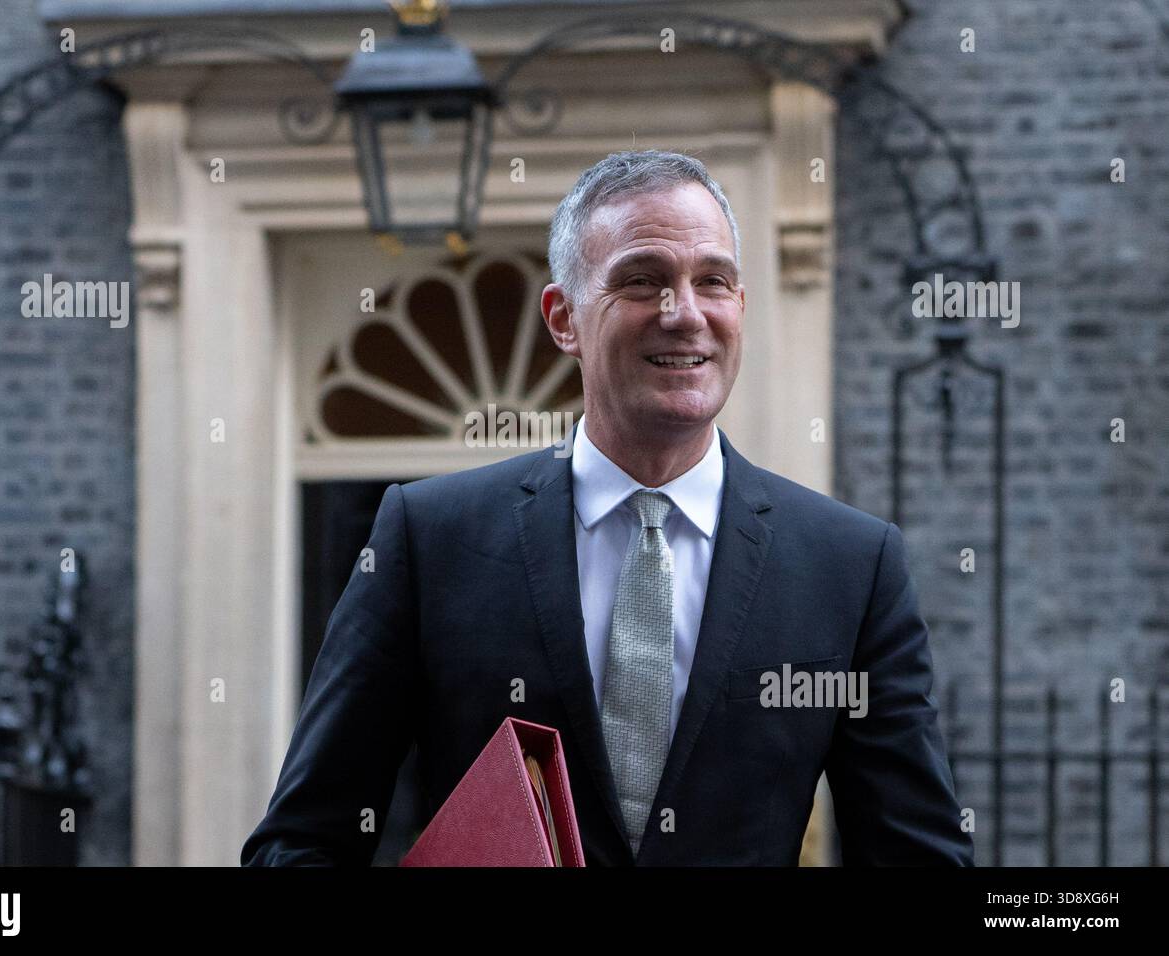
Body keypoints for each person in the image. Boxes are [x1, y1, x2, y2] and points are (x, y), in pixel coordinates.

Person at [241, 149, 973, 866]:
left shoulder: (850, 565)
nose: (684, 313)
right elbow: (302, 842)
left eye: (712, 280)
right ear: (563, 318)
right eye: (642, 279)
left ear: (740, 306)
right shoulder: (431, 539)